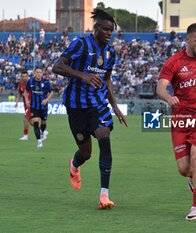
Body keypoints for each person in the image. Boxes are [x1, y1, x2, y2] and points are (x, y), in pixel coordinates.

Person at [52, 9, 127, 210]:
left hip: (98, 104)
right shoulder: (81, 44)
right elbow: (57, 67)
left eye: (112, 30)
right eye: (105, 29)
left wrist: (115, 107)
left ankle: (104, 195)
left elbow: (107, 79)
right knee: (85, 153)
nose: (109, 33)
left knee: (105, 139)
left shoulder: (111, 52)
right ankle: (74, 166)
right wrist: (83, 75)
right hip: (76, 106)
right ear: (96, 28)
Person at [156, 23, 196, 221]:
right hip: (181, 119)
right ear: (188, 40)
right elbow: (161, 88)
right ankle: (192, 177)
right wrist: (168, 97)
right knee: (184, 168)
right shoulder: (173, 63)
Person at [25, 67, 53, 148]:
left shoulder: (46, 82)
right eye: (37, 72)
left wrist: (46, 100)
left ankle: (42, 132)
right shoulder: (30, 81)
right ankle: (39, 141)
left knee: (43, 122)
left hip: (43, 107)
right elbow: (26, 91)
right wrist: (27, 100)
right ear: (34, 73)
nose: (38, 74)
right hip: (34, 106)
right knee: (35, 122)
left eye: (40, 72)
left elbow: (51, 93)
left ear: (42, 73)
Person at [15, 71, 32, 141]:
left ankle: (25, 136)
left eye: (25, 76)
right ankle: (41, 131)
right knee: (31, 121)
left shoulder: (31, 84)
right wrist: (17, 102)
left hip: (31, 105)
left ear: (28, 76)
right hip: (25, 105)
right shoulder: (20, 85)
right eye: (23, 76)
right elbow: (19, 94)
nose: (24, 78)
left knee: (25, 119)